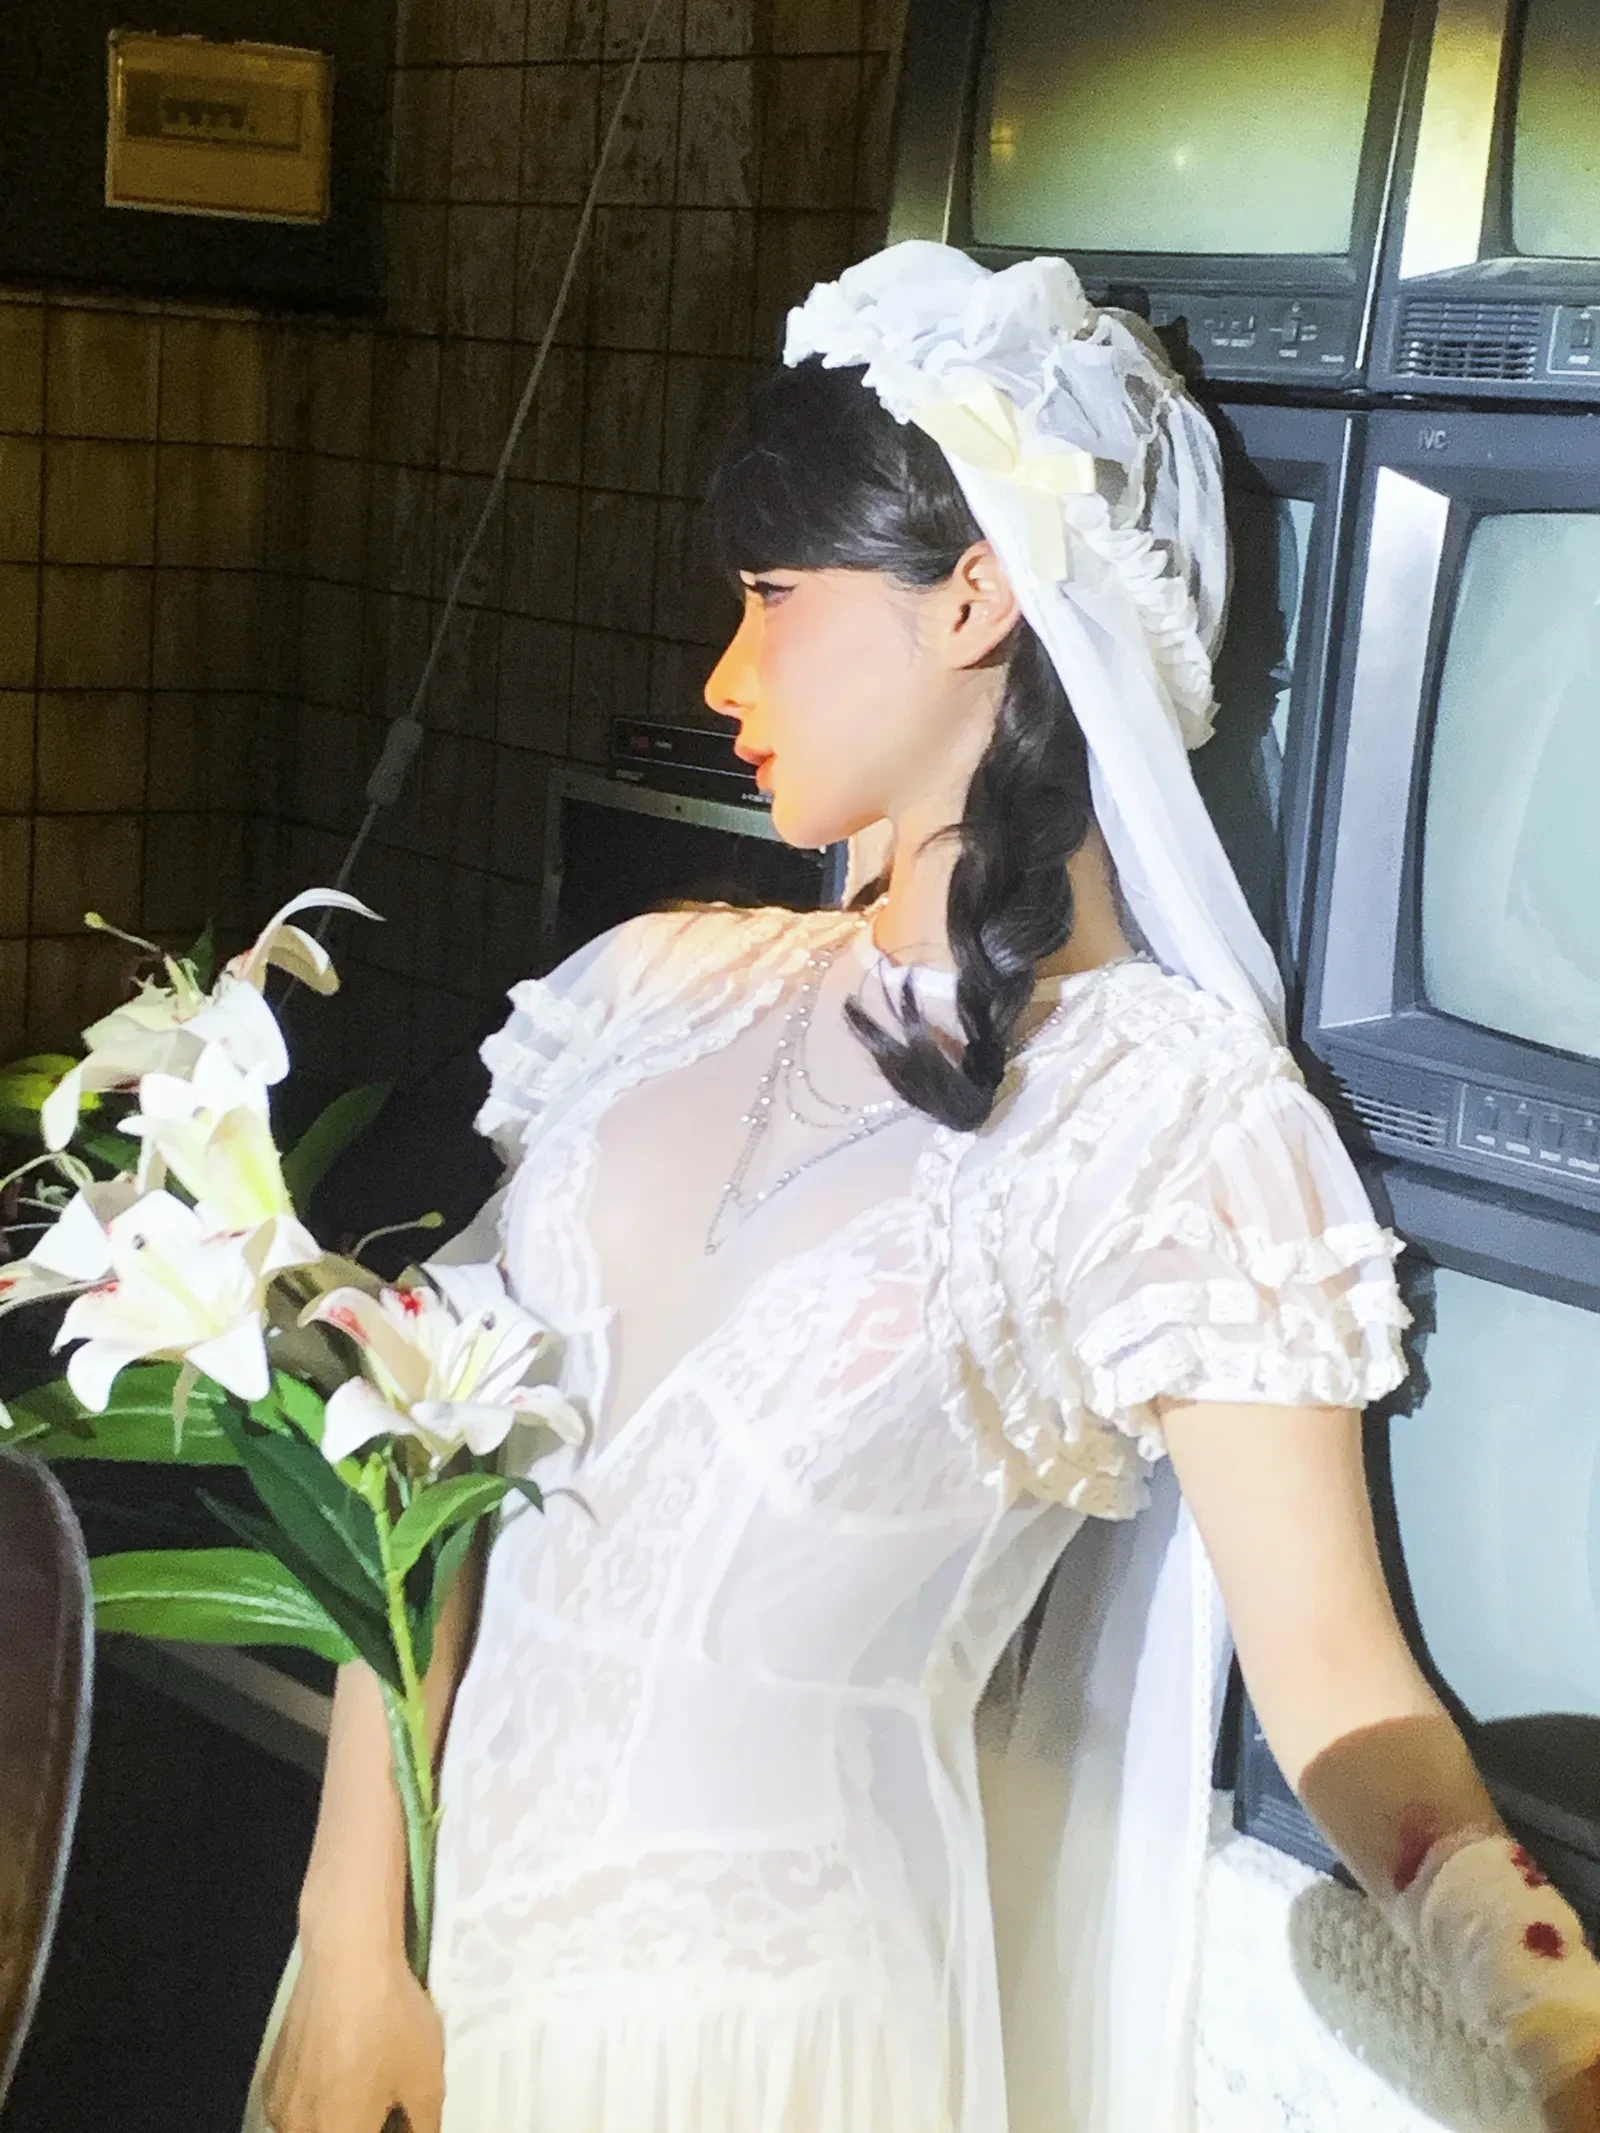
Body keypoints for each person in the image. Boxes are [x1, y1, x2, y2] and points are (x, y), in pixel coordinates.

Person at [249, 243, 1600, 2133]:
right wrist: (345, 1939)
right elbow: (417, 1468)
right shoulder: (649, 989)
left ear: (975, 594)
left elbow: (1336, 1685)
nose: (723, 673)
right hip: (407, 1986)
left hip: (765, 2050)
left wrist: (1551, 2028)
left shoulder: (1170, 1125)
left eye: (770, 599)